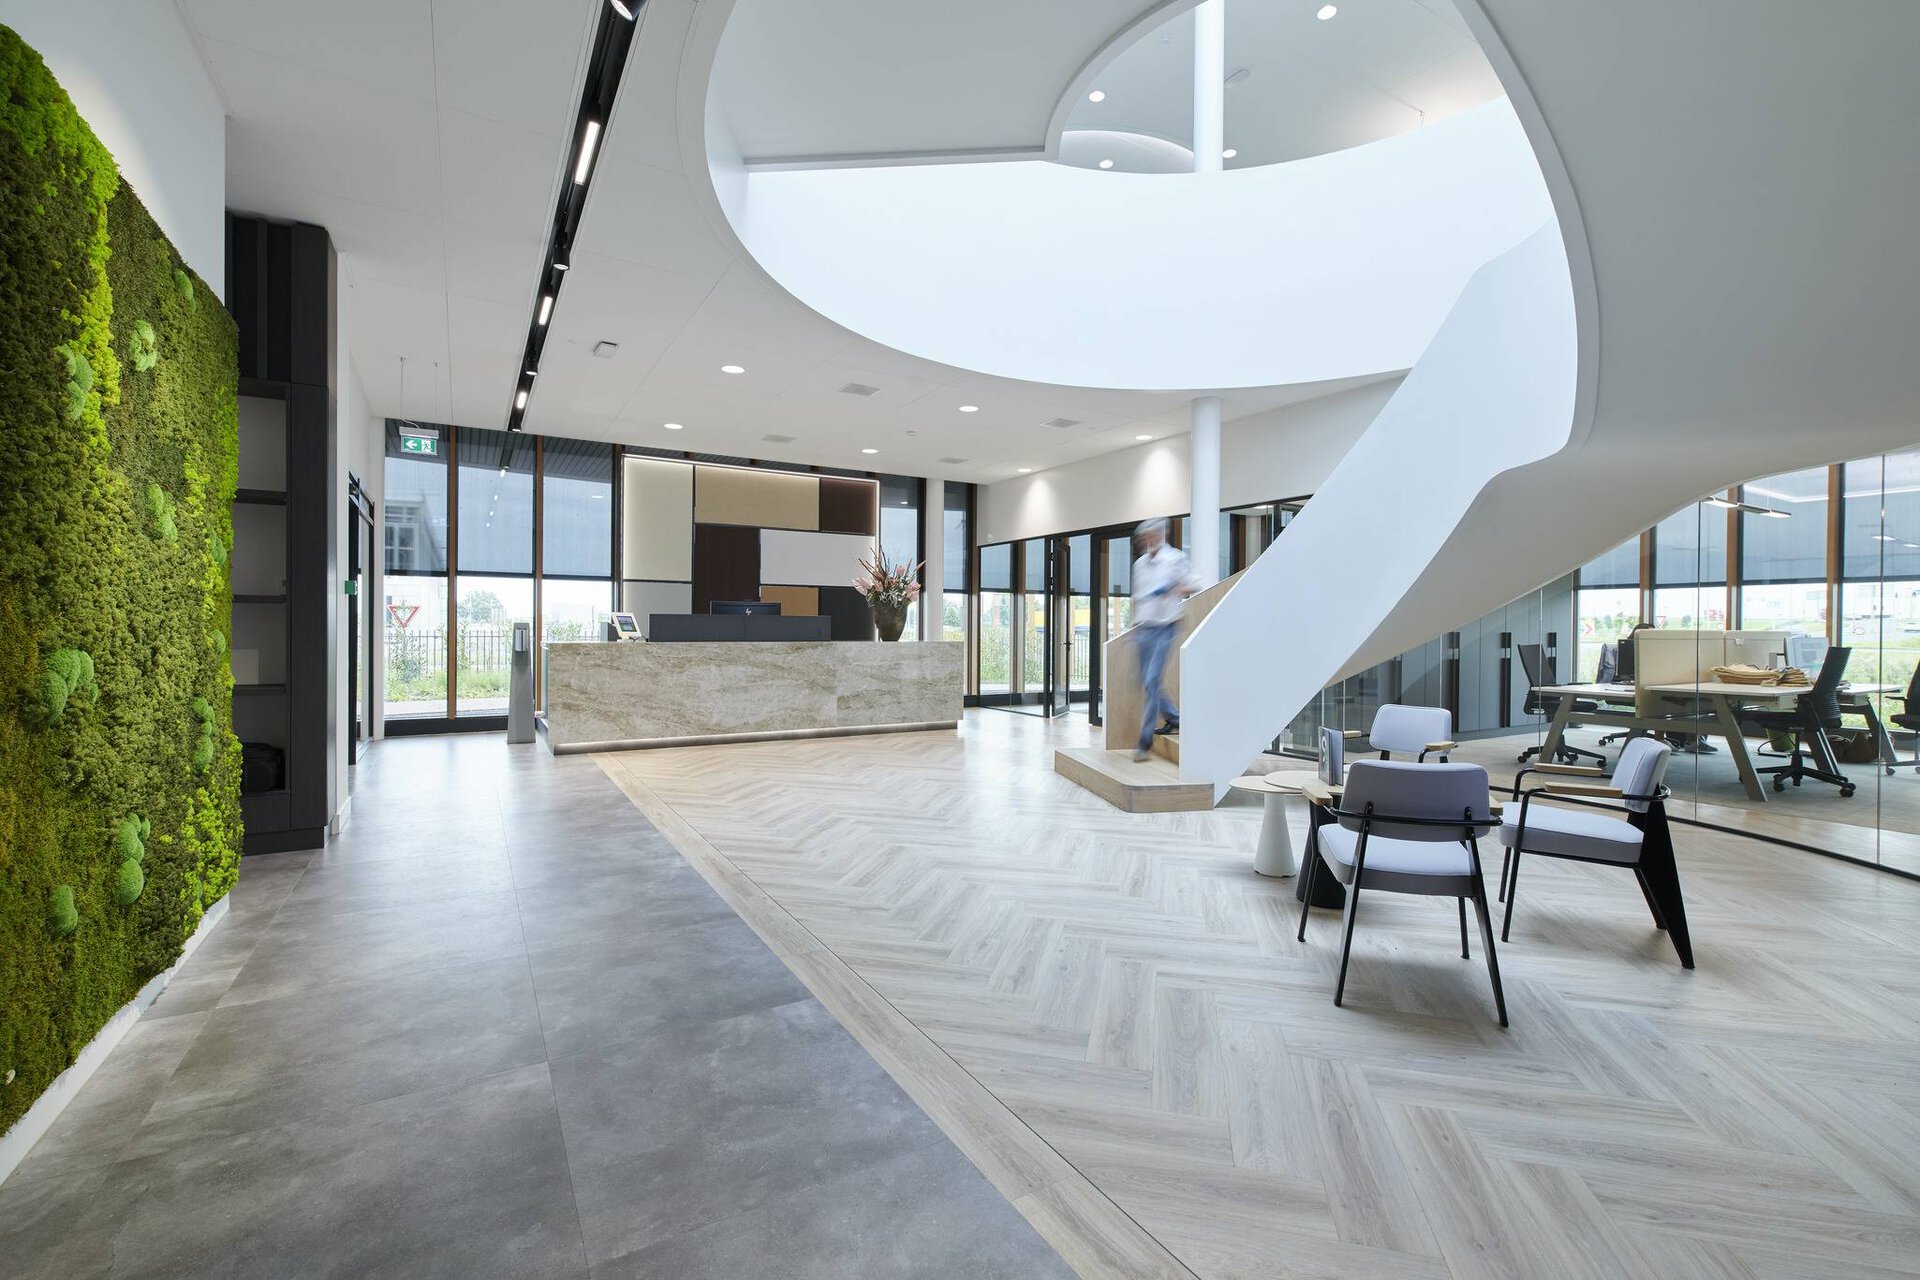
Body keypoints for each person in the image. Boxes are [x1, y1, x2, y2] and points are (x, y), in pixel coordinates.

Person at [1129, 518, 1199, 761]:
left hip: (1166, 627)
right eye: (1143, 537)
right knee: (1148, 684)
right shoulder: (1139, 564)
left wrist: (1176, 589)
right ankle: (1174, 717)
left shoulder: (1175, 558)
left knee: (1151, 681)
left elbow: (1196, 583)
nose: (1146, 540)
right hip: (1144, 629)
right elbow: (1137, 597)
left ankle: (1144, 743)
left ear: (1161, 534)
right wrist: (1134, 625)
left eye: (1150, 535)